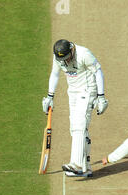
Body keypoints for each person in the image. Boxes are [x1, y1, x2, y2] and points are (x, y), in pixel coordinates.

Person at [42, 39, 108, 177]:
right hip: (73, 93)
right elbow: (55, 74)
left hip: (88, 90)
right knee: (76, 129)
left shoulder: (84, 54)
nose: (65, 62)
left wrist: (101, 97)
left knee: (79, 125)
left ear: (71, 49)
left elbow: (98, 72)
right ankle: (86, 167)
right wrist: (50, 96)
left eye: (67, 58)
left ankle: (76, 165)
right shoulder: (58, 58)